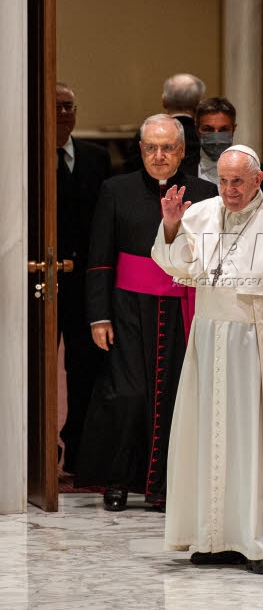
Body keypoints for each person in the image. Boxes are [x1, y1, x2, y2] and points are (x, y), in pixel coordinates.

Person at [152, 145, 263, 574]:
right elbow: (174, 265)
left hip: (260, 347)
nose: (229, 190)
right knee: (210, 437)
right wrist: (172, 225)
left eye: (238, 181)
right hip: (210, 342)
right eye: (224, 181)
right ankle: (213, 537)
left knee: (253, 444)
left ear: (258, 180)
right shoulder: (201, 215)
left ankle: (257, 541)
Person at [75, 114, 217, 512]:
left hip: (182, 309)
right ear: (140, 150)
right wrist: (98, 316)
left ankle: (162, 488)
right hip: (127, 312)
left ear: (182, 151)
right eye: (151, 147)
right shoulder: (115, 190)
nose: (159, 155)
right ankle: (117, 481)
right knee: (129, 395)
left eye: (168, 147)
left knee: (175, 397)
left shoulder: (206, 193)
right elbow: (100, 258)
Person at [56, 81, 111, 475]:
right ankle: (37, 449)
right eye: (56, 107)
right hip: (41, 278)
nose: (63, 115)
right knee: (36, 368)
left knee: (84, 367)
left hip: (83, 281)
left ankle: (78, 447)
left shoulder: (96, 158)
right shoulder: (26, 155)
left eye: (69, 107)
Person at [180, 96, 263, 200]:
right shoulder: (180, 170)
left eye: (223, 130)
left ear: (233, 129)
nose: (216, 137)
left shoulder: (259, 173)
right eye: (208, 129)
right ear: (197, 130)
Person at [124, 73, 206, 173]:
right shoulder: (203, 137)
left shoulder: (144, 134)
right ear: (199, 105)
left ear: (164, 101)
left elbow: (131, 171)